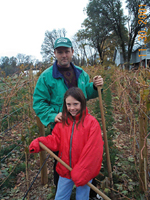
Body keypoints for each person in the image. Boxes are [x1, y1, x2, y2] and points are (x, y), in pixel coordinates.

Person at [33, 37, 103, 197]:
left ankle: (89, 193)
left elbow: (85, 93)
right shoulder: (46, 77)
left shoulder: (81, 73)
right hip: (61, 128)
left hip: (82, 126)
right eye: (60, 52)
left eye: (66, 51)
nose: (64, 55)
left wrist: (94, 86)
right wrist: (53, 115)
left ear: (72, 52)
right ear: (55, 54)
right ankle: (63, 191)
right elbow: (38, 102)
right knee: (62, 163)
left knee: (86, 159)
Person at [30, 87, 104, 200]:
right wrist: (40, 142)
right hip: (65, 169)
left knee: (82, 197)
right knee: (60, 197)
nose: (72, 108)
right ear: (65, 105)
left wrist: (81, 171)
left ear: (82, 103)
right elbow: (55, 140)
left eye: (76, 104)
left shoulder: (92, 124)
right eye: (69, 104)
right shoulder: (62, 123)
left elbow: (93, 151)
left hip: (84, 172)